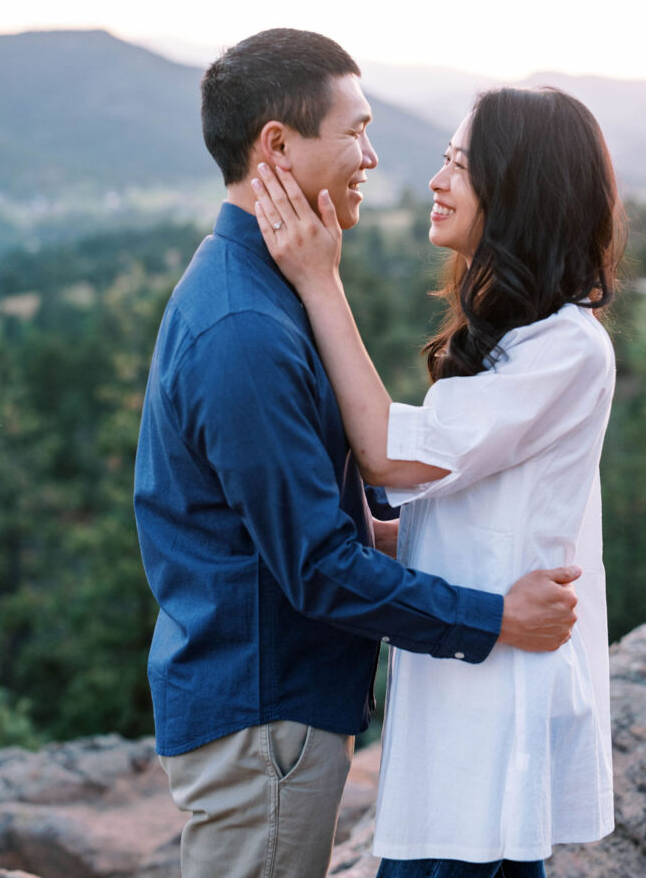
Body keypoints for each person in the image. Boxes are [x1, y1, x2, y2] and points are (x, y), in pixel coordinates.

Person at [133, 29, 583, 878]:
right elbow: (316, 568)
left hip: (277, 711)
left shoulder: (269, 293)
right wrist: (495, 621)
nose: (374, 157)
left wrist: (384, 536)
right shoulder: (245, 328)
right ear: (277, 145)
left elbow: (303, 518)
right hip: (262, 720)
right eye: (357, 131)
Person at [252, 83, 626, 878]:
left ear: (520, 192)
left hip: (489, 718)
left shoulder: (567, 348)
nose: (436, 178)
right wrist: (394, 534)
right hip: (462, 693)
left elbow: (390, 454)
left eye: (460, 162)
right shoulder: (522, 339)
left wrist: (321, 281)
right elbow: (480, 497)